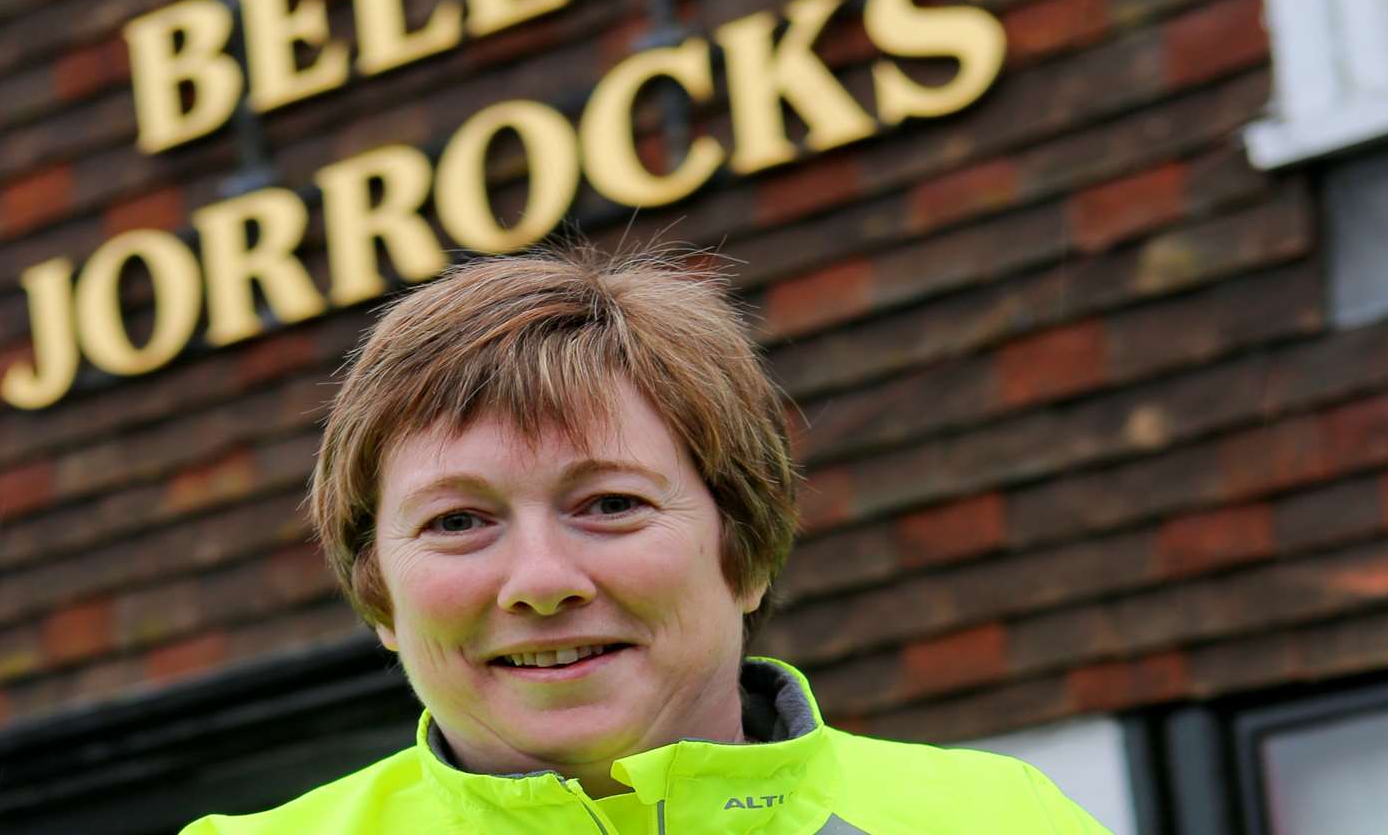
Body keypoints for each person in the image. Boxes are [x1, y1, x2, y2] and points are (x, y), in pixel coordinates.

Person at [182, 250, 1111, 833]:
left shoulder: (999, 821)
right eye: (457, 522)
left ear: (742, 550)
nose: (540, 583)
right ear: (381, 593)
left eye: (610, 504)